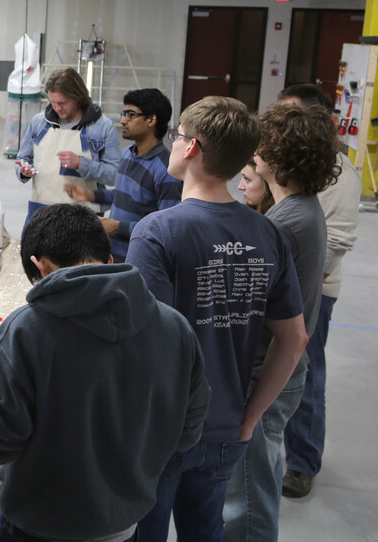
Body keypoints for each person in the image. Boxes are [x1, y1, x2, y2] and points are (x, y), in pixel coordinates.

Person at [0, 203, 210, 542]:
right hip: (124, 528)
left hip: (35, 524)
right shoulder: (176, 329)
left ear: (41, 266)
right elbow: (187, 433)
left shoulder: (25, 331)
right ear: (110, 260)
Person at [127, 97, 309, 542]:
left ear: (191, 149)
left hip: (164, 431)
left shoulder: (157, 232)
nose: (172, 144)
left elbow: (146, 346)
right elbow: (295, 339)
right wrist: (250, 417)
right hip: (227, 426)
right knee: (206, 532)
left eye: (177, 137)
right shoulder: (267, 233)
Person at [223, 103, 341, 542]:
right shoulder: (298, 210)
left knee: (248, 498)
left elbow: (266, 321)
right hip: (280, 372)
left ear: (278, 156)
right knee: (258, 477)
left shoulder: (284, 224)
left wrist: (251, 408)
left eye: (260, 149)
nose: (253, 155)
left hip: (266, 375)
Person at [276, 85, 361, 499]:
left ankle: (302, 463)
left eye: (289, 117)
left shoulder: (340, 171)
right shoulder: (289, 164)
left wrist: (296, 278)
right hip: (286, 283)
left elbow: (338, 239)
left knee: (305, 373)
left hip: (314, 289)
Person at [66, 88, 181, 263]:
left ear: (151, 119)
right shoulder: (128, 153)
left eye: (130, 115)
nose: (123, 121)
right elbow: (122, 194)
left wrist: (120, 228)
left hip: (138, 259)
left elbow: (166, 230)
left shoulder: (166, 170)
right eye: (124, 114)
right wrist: (91, 195)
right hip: (112, 254)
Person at [14, 67, 120, 224]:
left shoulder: (103, 127)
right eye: (53, 102)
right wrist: (23, 170)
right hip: (40, 210)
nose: (57, 108)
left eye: (62, 103)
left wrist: (81, 164)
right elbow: (23, 157)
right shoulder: (38, 122)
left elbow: (115, 175)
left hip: (83, 213)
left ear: (78, 97)